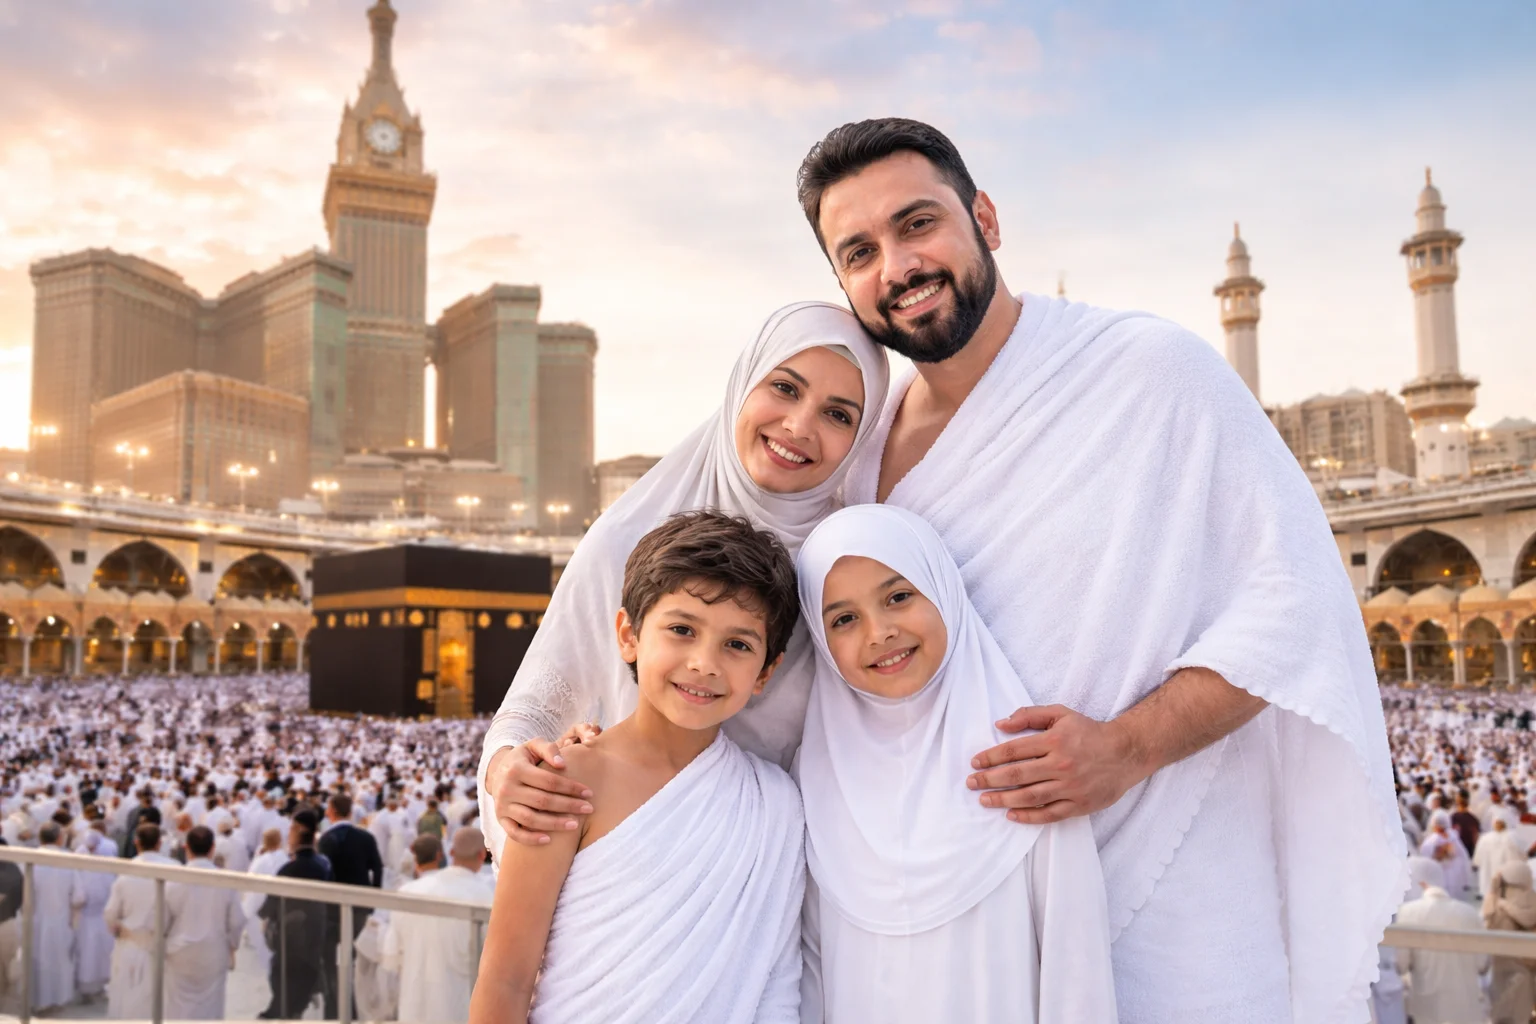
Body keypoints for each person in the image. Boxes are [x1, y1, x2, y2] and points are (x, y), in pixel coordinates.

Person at [491, 118, 1403, 1022]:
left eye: (918, 223)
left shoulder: (1150, 373)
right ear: (843, 286)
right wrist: (515, 771)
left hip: (1166, 877)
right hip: (912, 917)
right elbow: (569, 678)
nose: (897, 265)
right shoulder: (854, 455)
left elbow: (1298, 600)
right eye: (859, 250)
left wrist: (1127, 749)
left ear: (986, 219)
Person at [479, 301, 889, 857]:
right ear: (743, 384)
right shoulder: (626, 538)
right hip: (626, 848)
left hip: (779, 866)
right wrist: (508, 768)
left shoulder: (850, 566)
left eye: (838, 415)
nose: (799, 426)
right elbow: (538, 703)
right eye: (785, 389)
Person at [471, 512, 807, 1023]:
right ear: (629, 634)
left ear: (765, 672)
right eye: (681, 629)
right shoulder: (566, 781)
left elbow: (776, 986)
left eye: (737, 644)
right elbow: (506, 980)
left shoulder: (777, 804)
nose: (704, 663)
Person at [795, 504, 1116, 1022]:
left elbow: (1074, 967)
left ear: (943, 589)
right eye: (845, 619)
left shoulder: (1026, 766)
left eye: (899, 597)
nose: (878, 633)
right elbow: (808, 974)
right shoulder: (813, 781)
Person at [382, 830, 493, 1023]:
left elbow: (390, 956)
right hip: (457, 1010)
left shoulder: (409, 892)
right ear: (482, 855)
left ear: (451, 853)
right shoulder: (485, 896)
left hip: (413, 1009)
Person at [163, 824, 244, 1020]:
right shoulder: (225, 880)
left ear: (186, 848)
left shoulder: (172, 879)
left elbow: (163, 919)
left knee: (176, 1006)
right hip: (213, 950)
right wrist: (232, 944)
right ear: (212, 848)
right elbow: (237, 921)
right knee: (211, 1005)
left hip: (179, 951)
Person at [1396, 856, 1486, 1024]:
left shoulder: (1407, 913)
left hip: (1428, 1010)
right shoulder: (1469, 912)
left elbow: (1401, 965)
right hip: (1467, 1009)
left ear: (1420, 883)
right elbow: (1482, 964)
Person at [258, 820, 332, 1020]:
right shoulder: (323, 866)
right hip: (316, 929)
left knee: (282, 972)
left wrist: (265, 915)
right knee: (308, 968)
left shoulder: (289, 868)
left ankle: (287, 1009)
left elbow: (272, 902)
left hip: (291, 933)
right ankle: (296, 1006)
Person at [318, 791, 383, 1019]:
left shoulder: (326, 840)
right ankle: (354, 1006)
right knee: (355, 957)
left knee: (330, 958)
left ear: (333, 811)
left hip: (332, 908)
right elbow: (378, 867)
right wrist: (372, 897)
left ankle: (334, 1005)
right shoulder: (365, 838)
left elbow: (323, 874)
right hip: (359, 904)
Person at [103, 823, 176, 1019]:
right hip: (166, 947)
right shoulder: (175, 869)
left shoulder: (127, 871)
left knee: (129, 1001)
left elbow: (110, 913)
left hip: (132, 945)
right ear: (159, 844)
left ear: (136, 843)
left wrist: (118, 929)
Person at [29, 821, 79, 1014]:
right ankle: (56, 1000)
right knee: (58, 961)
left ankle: (36, 1000)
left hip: (36, 920)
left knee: (37, 959)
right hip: (60, 920)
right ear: (59, 838)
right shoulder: (68, 860)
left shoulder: (30, 858)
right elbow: (79, 896)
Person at [1481, 859, 1536, 1024]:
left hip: (1504, 975)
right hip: (1528, 976)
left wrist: (1492, 892)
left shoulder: (1497, 909)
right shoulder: (1533, 901)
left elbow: (1487, 930)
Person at [73, 822, 116, 1003]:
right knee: (89, 953)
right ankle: (87, 988)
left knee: (98, 953)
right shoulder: (80, 855)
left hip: (99, 914)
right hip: (87, 915)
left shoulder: (107, 860)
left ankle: (97, 987)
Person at [0, 837, 23, 1014]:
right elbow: (20, 899)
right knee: (11, 978)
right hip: (8, 924)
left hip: (6, 924)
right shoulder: (14, 869)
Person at [1475, 817, 1525, 897]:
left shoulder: (1485, 838)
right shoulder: (1512, 837)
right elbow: (1521, 852)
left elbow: (1479, 853)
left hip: (1489, 867)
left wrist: (1476, 863)